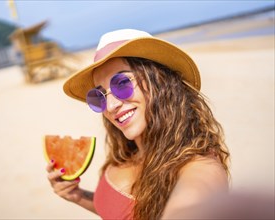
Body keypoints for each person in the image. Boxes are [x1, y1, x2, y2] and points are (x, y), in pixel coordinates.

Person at [46, 29, 230, 219]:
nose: (111, 106)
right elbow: (120, 212)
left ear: (160, 81)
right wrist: (78, 196)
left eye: (122, 83)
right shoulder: (127, 152)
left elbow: (196, 197)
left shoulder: (199, 167)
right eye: (99, 96)